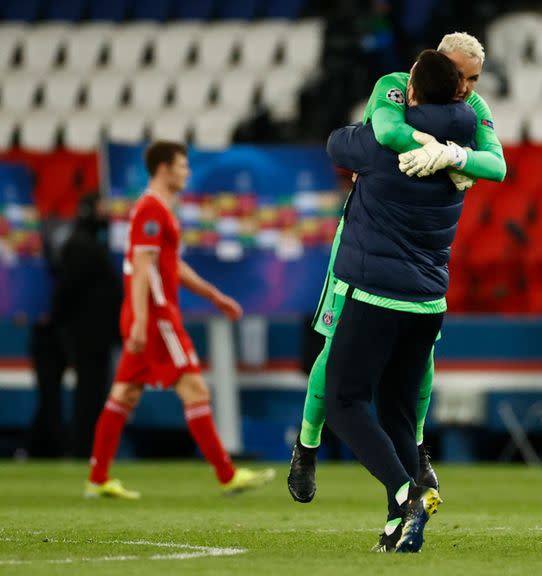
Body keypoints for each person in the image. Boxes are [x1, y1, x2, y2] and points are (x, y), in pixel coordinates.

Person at [288, 31, 506, 504]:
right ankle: (307, 447)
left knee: (419, 365)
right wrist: (432, 145)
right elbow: (385, 133)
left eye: (473, 78)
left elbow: (498, 164)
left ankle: (417, 451)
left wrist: (453, 155)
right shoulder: (392, 84)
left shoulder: (473, 110)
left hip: (414, 256)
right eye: (458, 74)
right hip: (363, 245)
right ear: (431, 65)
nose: (465, 86)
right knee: (332, 351)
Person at [324, 49, 475, 552]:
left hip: (375, 293)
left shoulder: (385, 139)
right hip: (429, 301)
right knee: (399, 410)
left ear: (410, 89)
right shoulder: (466, 138)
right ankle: (397, 526)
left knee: (344, 401)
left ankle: (408, 492)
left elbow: (336, 144)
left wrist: (375, 116)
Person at [84, 141, 274, 499]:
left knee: (124, 393)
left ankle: (98, 478)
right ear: (164, 169)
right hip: (156, 317)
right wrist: (142, 321)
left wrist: (213, 295)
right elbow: (141, 268)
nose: (187, 172)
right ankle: (227, 474)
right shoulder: (151, 211)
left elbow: (169, 265)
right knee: (195, 389)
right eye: (183, 166)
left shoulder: (158, 210)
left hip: (150, 314)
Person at [54, 193, 123, 458]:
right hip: (88, 332)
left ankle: (90, 447)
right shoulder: (82, 244)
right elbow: (69, 287)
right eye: (101, 208)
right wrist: (59, 318)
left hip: (96, 331)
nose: (106, 214)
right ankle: (84, 448)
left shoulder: (88, 242)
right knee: (89, 391)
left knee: (94, 390)